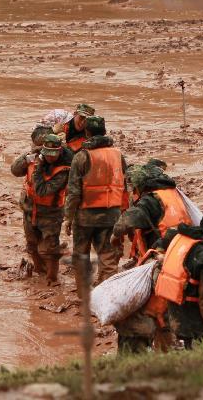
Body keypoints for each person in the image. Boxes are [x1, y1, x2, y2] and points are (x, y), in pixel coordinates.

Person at [64, 115, 127, 292]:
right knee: (108, 257)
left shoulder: (81, 157)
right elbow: (126, 184)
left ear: (87, 132)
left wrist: (68, 218)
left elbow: (74, 192)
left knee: (81, 256)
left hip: (85, 217)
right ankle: (108, 297)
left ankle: (84, 296)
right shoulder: (118, 155)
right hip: (112, 214)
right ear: (105, 132)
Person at [154, 209, 203, 349]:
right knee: (202, 356)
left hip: (173, 310)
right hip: (193, 320)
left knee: (181, 349)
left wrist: (159, 257)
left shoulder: (179, 237)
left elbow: (158, 244)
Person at [12, 130, 72, 284]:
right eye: (47, 153)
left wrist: (38, 167)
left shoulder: (64, 170)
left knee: (49, 249)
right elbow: (15, 170)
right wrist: (25, 160)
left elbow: (42, 190)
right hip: (29, 210)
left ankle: (52, 279)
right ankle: (39, 271)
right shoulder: (35, 156)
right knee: (32, 245)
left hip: (50, 214)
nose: (50, 157)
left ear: (59, 151)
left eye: (53, 154)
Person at [111, 160, 191, 263]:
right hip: (183, 242)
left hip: (164, 247)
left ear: (139, 185)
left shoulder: (150, 200)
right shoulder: (171, 191)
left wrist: (115, 236)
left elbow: (126, 222)